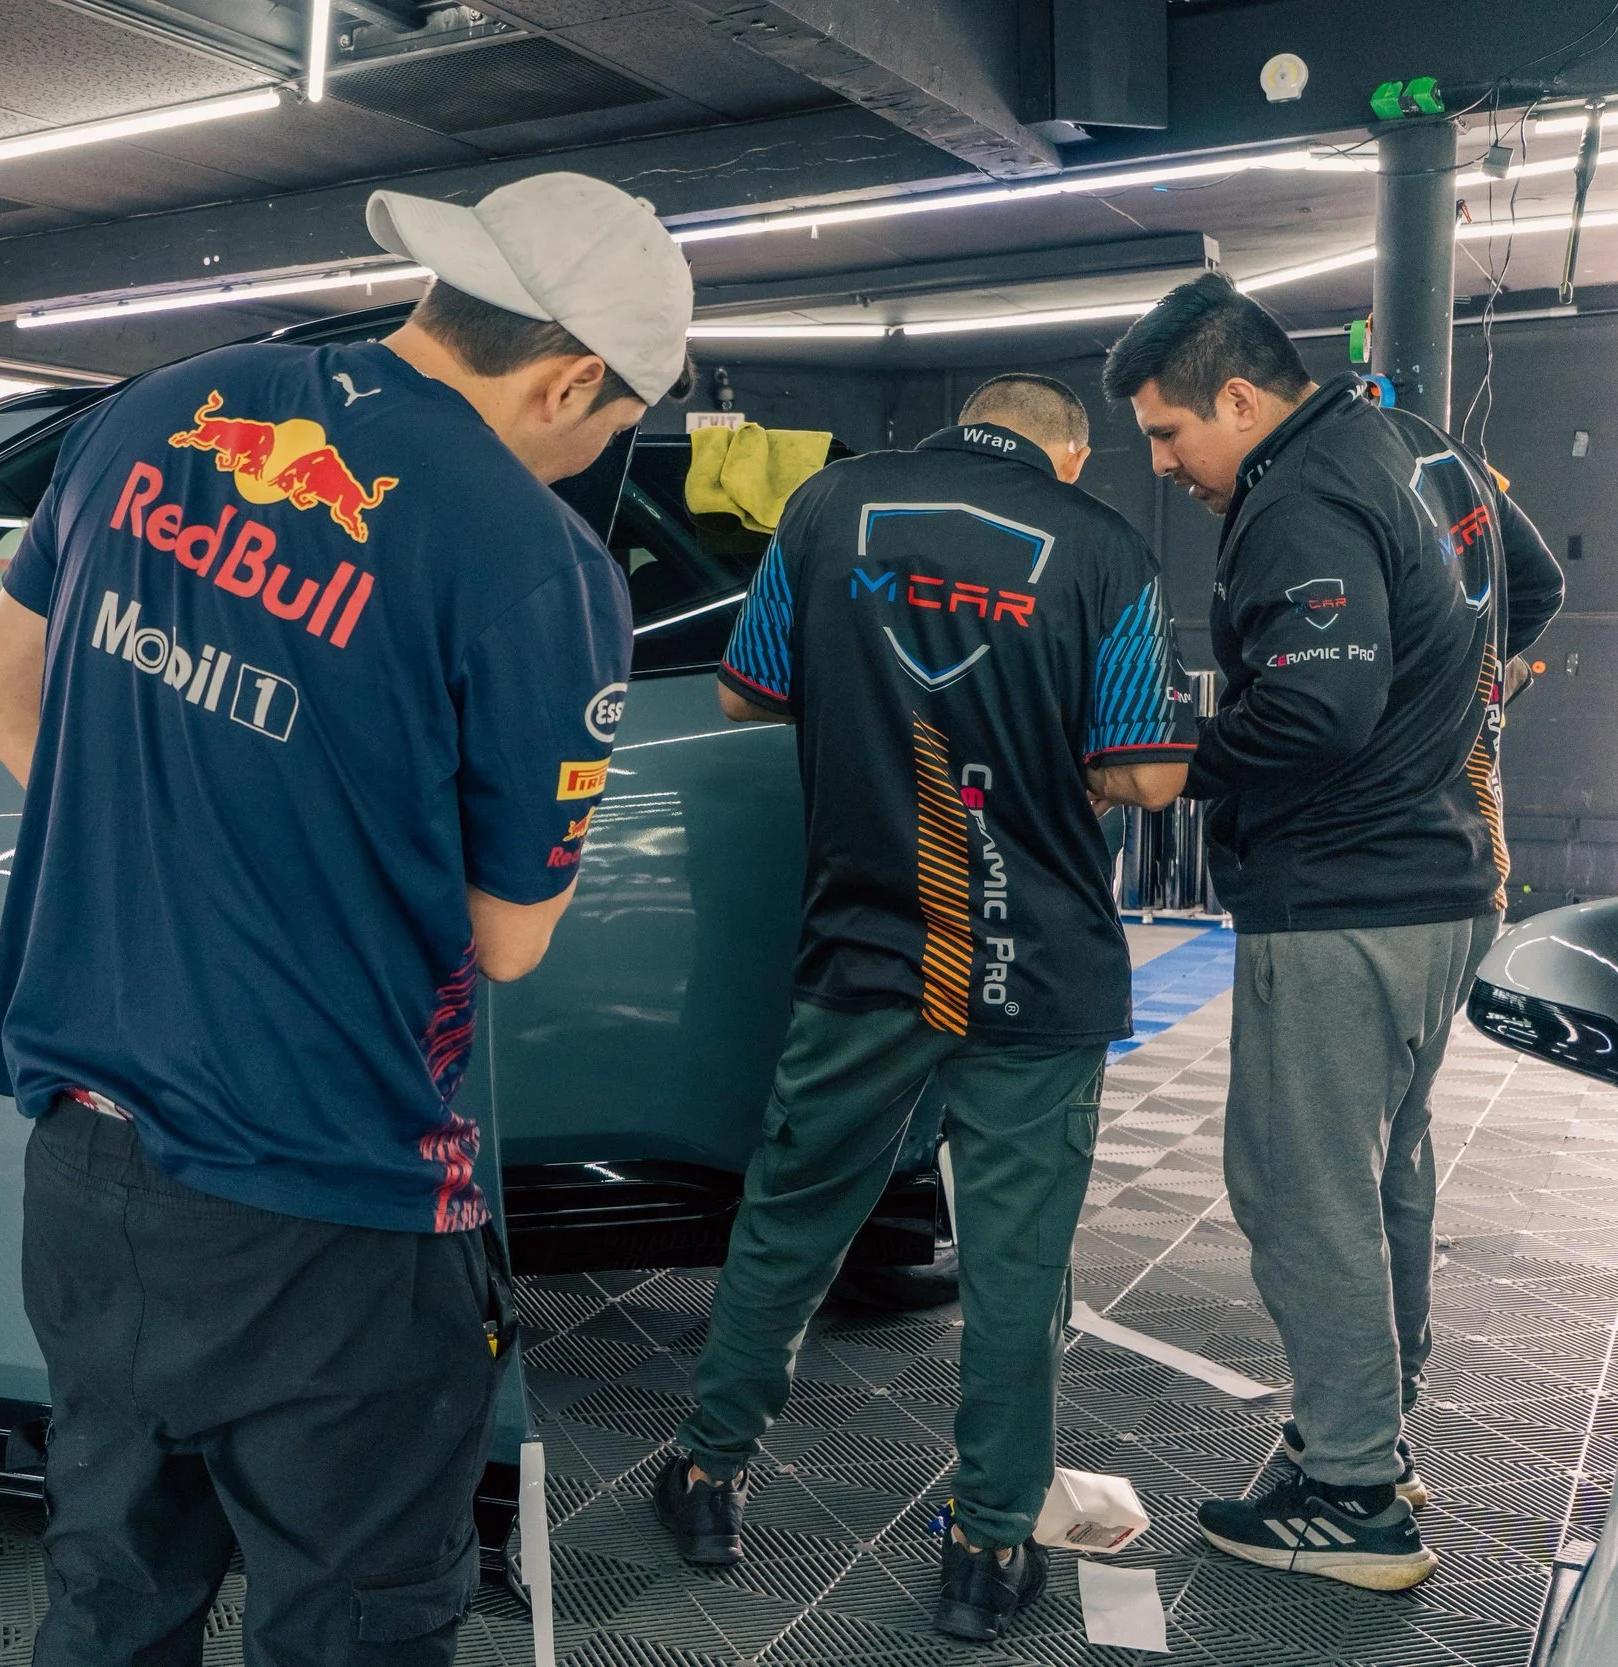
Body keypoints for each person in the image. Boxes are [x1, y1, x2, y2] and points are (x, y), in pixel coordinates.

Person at [0, 172, 694, 1666]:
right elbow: (508, 937)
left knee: (110, 1595)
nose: (599, 457)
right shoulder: (535, 563)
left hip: (88, 1161)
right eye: (615, 426)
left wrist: (189, 827)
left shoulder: (158, 407)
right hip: (331, 1199)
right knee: (353, 1620)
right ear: (569, 375)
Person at [652, 373, 1195, 1643]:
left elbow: (743, 690)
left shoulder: (828, 507)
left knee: (791, 1218)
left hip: (869, 940)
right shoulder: (1104, 547)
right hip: (1038, 955)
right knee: (1015, 1266)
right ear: (1065, 458)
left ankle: (707, 1474)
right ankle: (989, 1544)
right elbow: (1146, 771)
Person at [1101, 272, 1562, 1592]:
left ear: (1239, 398)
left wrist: (1164, 762)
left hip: (1343, 896)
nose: (1166, 462)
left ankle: (1354, 1492)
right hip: (1443, 889)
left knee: (1301, 1188)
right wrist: (1460, 719)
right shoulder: (1418, 444)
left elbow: (1312, 712)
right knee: (1382, 1167)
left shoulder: (1297, 491)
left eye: (1171, 431)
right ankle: (1369, 1430)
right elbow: (1526, 589)